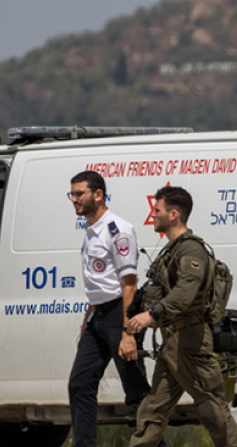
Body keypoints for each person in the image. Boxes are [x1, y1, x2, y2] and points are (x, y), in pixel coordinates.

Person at [125, 186, 237, 447]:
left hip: (190, 341)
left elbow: (186, 292)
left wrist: (152, 314)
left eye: (157, 210)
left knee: (212, 410)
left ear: (174, 214)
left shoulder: (191, 250)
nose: (152, 215)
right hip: (172, 343)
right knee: (152, 410)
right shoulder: (171, 250)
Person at [67, 171, 151, 447]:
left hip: (120, 315)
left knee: (136, 393)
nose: (74, 200)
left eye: (79, 194)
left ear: (98, 194)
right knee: (80, 385)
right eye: (72, 194)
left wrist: (128, 332)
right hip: (98, 317)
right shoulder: (91, 230)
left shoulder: (118, 230)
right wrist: (89, 316)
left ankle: (154, 443)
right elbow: (99, 280)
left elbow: (129, 284)